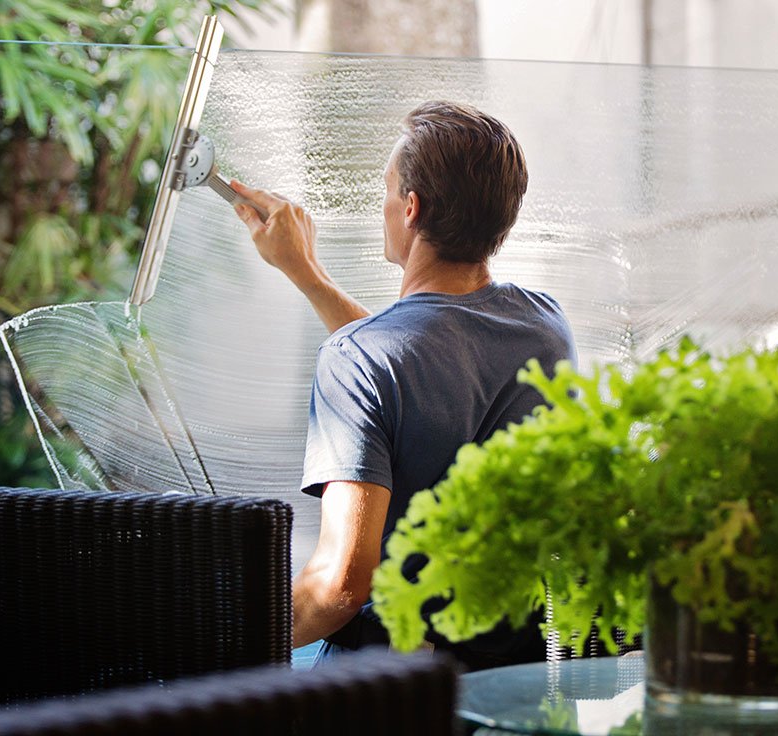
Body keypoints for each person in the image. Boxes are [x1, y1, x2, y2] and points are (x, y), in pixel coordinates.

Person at [229, 101, 576, 670]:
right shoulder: (546, 327)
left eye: (387, 189)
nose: (384, 204)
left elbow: (339, 588)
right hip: (518, 674)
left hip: (395, 685)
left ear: (411, 208)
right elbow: (423, 359)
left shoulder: (359, 359)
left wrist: (217, 639)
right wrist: (307, 275)